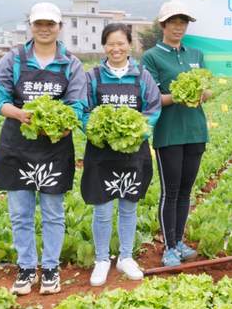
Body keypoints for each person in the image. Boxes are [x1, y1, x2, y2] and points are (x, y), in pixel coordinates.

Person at [0, 2, 87, 295]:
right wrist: (19, 114)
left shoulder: (71, 63)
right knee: (20, 212)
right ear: (30, 25)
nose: (44, 29)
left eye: (50, 24)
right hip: (17, 144)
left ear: (59, 27)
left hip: (54, 148)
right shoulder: (14, 59)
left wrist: (67, 123)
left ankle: (51, 268)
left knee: (53, 212)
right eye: (39, 23)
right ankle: (26, 267)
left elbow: (77, 105)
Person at [81, 23, 161, 286]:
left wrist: (139, 131)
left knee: (129, 207)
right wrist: (95, 130)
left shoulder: (142, 76)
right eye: (111, 44)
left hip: (133, 152)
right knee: (102, 210)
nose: (116, 48)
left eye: (121, 43)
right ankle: (102, 259)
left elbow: (153, 107)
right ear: (104, 46)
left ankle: (126, 256)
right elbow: (82, 109)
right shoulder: (92, 76)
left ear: (130, 44)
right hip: (101, 153)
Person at [141, 1, 212, 267]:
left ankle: (179, 240)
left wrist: (203, 93)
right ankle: (168, 247)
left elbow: (206, 90)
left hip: (195, 130)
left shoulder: (196, 54)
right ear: (163, 25)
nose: (179, 27)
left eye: (183, 22)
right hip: (169, 133)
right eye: (173, 22)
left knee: (185, 190)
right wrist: (180, 96)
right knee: (170, 191)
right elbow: (153, 98)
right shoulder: (151, 57)